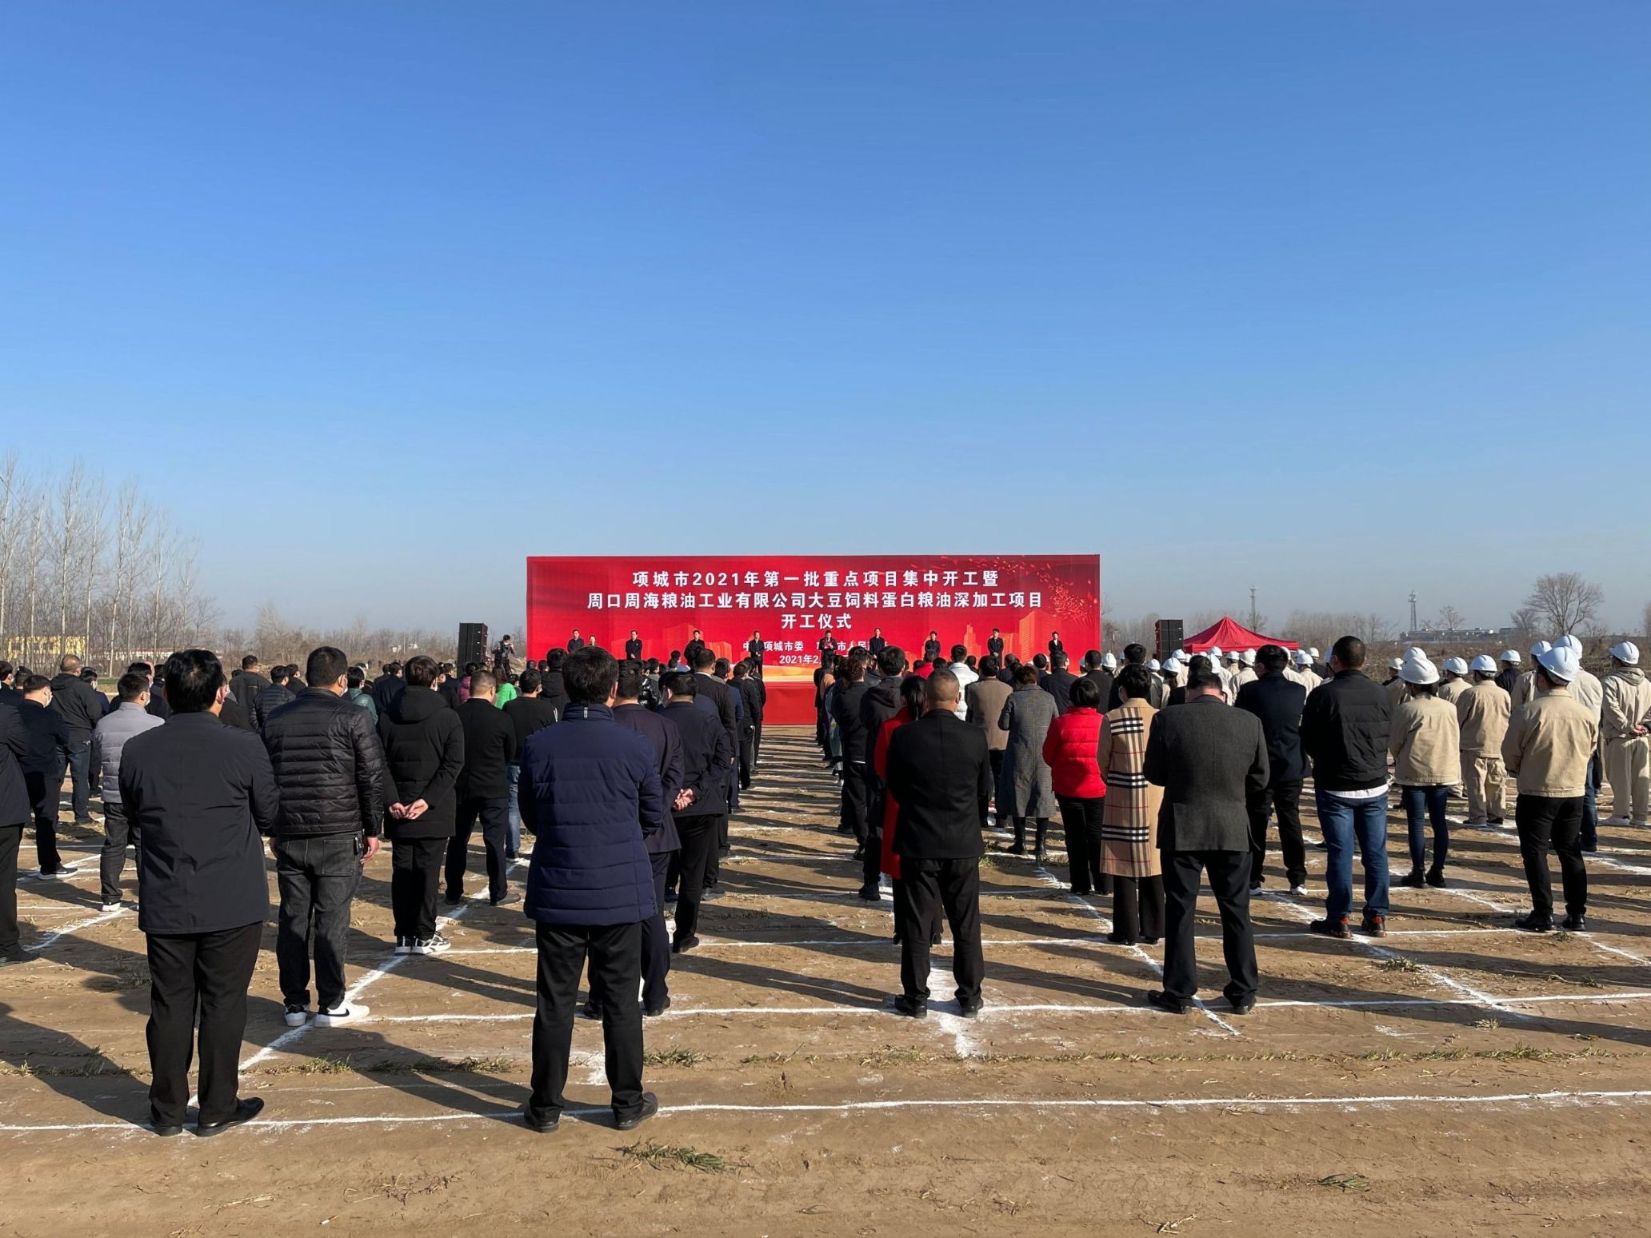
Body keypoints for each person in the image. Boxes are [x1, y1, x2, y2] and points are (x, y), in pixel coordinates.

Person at [119, 649, 277, 1136]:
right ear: (220, 694)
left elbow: (134, 815)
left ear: (165, 692)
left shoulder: (139, 749)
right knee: (223, 1003)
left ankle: (167, 1109)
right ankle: (216, 1107)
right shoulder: (243, 746)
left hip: (168, 893)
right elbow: (269, 813)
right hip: (230, 896)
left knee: (170, 1004)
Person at [517, 646, 662, 1133]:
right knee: (621, 1001)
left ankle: (545, 1106)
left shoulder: (540, 745)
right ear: (612, 689)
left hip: (560, 887)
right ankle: (626, 1102)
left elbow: (532, 815)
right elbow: (652, 814)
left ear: (566, 686)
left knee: (554, 1002)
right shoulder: (633, 746)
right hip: (618, 891)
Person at [261, 646, 386, 1029]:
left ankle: (294, 1002)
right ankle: (331, 1001)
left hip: (292, 832)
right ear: (342, 680)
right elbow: (371, 776)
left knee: (293, 919)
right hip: (338, 831)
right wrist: (373, 828)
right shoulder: (354, 716)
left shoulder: (277, 718)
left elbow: (266, 777)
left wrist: (272, 826)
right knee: (331, 920)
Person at [1142, 659, 1267, 1015]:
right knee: (1236, 910)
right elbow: (1260, 778)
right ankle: (1243, 990)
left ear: (1189, 692)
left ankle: (1179, 991)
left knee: (1181, 910)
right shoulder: (1249, 722)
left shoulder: (1168, 719)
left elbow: (1154, 773)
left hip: (1184, 825)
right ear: (1222, 693)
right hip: (1232, 825)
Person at [883, 670, 990, 1018]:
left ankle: (916, 997)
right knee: (966, 922)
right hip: (962, 841)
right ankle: (970, 995)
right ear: (957, 699)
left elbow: (895, 786)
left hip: (919, 840)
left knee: (917, 922)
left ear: (926, 699)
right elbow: (983, 791)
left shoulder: (906, 736)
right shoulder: (974, 737)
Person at [1300, 636, 1392, 939]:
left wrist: (1328, 759)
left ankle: (1339, 917)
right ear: (1364, 661)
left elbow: (1308, 739)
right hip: (1373, 783)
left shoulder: (1323, 694)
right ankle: (1377, 915)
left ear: (1335, 661)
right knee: (1375, 853)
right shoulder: (1381, 693)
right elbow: (1387, 732)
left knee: (1340, 853)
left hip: (1336, 785)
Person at [1503, 644, 1598, 932]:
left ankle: (1543, 913)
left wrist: (1520, 770)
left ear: (1542, 677)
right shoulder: (1585, 714)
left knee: (1535, 852)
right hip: (1573, 792)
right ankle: (1576, 914)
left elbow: (1510, 752)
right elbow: (1590, 749)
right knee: (1570, 851)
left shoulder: (1528, 712)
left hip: (1537, 791)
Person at [377, 655, 464, 956]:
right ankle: (424, 933)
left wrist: (393, 799)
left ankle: (405, 934)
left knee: (403, 871)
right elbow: (454, 763)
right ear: (435, 680)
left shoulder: (387, 717)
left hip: (402, 807)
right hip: (431, 809)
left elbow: (378, 763)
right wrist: (427, 800)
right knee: (427, 872)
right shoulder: (448, 716)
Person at [610, 662, 683, 1017]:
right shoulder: (664, 725)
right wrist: (655, 812)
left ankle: (604, 995)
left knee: (609, 916)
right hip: (656, 834)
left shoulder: (606, 726)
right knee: (651, 914)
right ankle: (655, 994)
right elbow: (674, 777)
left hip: (615, 833)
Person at [659, 672, 732, 955]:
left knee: (660, 872)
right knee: (693, 875)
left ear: (667, 692)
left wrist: (675, 792)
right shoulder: (709, 721)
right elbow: (722, 761)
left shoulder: (657, 720)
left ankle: (655, 933)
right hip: (700, 807)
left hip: (665, 806)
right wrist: (695, 791)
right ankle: (684, 935)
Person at [1234, 645, 1308, 895]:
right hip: (1290, 765)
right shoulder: (1298, 690)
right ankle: (1297, 878)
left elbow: (1241, 726)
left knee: (1257, 822)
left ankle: (1253, 877)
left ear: (1260, 666)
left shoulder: (1249, 691)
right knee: (1290, 821)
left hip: (1259, 766)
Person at [1100, 664, 1165, 944]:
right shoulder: (1161, 717)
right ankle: (1154, 927)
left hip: (1122, 793)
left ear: (1122, 690)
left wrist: (1116, 778)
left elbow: (1103, 760)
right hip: (1156, 795)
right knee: (1153, 860)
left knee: (1122, 864)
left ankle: (1126, 930)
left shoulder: (1112, 718)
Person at [90, 671, 164, 911]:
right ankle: (147, 896)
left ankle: (110, 896)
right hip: (144, 794)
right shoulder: (156, 724)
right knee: (145, 846)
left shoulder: (104, 723)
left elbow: (98, 755)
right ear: (143, 695)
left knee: (114, 844)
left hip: (114, 793)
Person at [1389, 652, 1461, 888]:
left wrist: (1399, 759)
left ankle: (1418, 871)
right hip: (1443, 770)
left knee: (1416, 823)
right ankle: (1437, 871)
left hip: (1414, 772)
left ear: (1412, 685)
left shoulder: (1407, 709)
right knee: (1439, 822)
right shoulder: (1449, 708)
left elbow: (1395, 743)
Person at [449, 669, 519, 907]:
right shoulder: (502, 718)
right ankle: (498, 892)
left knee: (458, 840)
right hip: (493, 787)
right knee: (494, 842)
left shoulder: (455, 715)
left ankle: (453, 891)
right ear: (491, 691)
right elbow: (510, 752)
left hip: (461, 786)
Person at [874, 674, 929, 946]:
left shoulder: (890, 727)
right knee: (929, 872)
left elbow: (881, 768)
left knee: (901, 872)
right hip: (932, 805)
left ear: (903, 698)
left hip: (899, 804)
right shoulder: (933, 727)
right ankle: (933, 927)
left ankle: (902, 927)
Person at [1042, 676, 1108, 895]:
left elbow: (1048, 755)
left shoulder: (1061, 723)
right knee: (1097, 835)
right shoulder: (1103, 722)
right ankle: (1103, 882)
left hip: (1068, 788)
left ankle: (1080, 884)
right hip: (1098, 786)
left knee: (1075, 836)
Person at [17, 675, 75, 879]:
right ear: (45, 692)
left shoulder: (11, 712)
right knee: (46, 819)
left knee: (13, 821)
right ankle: (49, 865)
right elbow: (65, 738)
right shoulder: (50, 716)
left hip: (16, 774)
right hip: (44, 775)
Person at [997, 663, 1057, 858]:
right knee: (1043, 795)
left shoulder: (1013, 698)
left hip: (1019, 753)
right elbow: (1056, 723)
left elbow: (1003, 724)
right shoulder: (1049, 698)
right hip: (1044, 754)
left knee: (1019, 795)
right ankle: (1041, 844)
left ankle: (1020, 842)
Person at [503, 668, 560, 858]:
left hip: (514, 759)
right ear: (538, 687)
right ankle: (540, 844)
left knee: (513, 805)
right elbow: (552, 735)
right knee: (541, 804)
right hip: (538, 761)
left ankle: (512, 847)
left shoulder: (509, 707)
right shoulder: (546, 708)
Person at [47, 654, 103, 826]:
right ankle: (81, 815)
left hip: (56, 734)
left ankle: (50, 814)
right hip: (79, 735)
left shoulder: (50, 685)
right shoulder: (82, 687)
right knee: (80, 778)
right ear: (77, 671)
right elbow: (95, 712)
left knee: (55, 778)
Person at [1601, 642, 1651, 827]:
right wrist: (1645, 726)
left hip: (1619, 737)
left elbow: (1611, 708)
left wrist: (1627, 727)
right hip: (1642, 738)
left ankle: (1621, 814)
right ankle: (1640, 816)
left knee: (1620, 778)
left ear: (1617, 660)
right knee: (1640, 779)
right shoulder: (1647, 683)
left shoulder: (1610, 682)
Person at [1458, 654, 1511, 827]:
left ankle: (1478, 816)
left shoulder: (1470, 693)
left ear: (1477, 673)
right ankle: (1496, 814)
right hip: (1499, 745)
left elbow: (1459, 719)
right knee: (1496, 782)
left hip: (1474, 746)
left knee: (1475, 784)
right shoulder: (1504, 694)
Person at [0, 692, 30, 964]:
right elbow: (25, 748)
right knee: (4, 879)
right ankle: (7, 944)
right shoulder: (6, 714)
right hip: (4, 811)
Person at [965, 656, 1012, 796]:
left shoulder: (972, 688)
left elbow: (970, 711)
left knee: (983, 779)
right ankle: (1001, 808)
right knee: (1000, 778)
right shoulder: (1008, 689)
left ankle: (984, 807)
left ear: (980, 670)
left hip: (980, 739)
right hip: (1002, 740)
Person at [733, 661, 763, 791]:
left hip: (733, 723)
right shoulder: (748, 685)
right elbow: (755, 705)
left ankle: (735, 781)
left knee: (733, 753)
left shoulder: (728, 685)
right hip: (746, 723)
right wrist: (756, 721)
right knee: (745, 754)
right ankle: (745, 781)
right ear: (745, 673)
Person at [253, 664, 296, 732]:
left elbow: (253, 717)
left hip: (264, 732)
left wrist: (261, 730)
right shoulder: (289, 695)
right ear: (286, 679)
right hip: (282, 732)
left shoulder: (260, 694)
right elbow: (292, 717)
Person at [1040, 651, 1079, 716]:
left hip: (1052, 716)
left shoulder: (1045, 680)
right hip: (1070, 716)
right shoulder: (1075, 679)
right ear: (1065, 663)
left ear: (1052, 663)